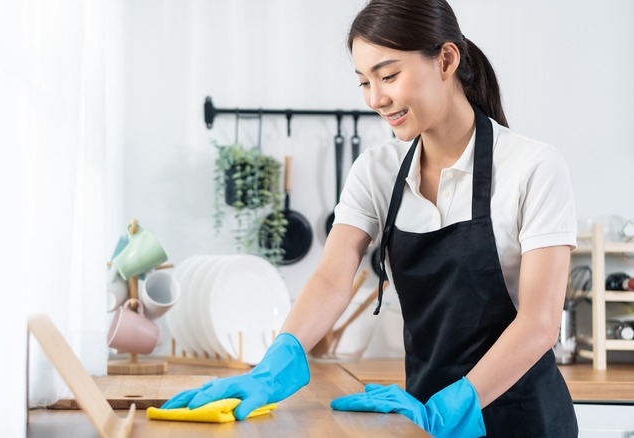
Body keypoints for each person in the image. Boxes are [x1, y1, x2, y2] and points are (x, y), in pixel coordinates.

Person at [163, 1, 578, 436]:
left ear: (447, 59)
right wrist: (276, 363)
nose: (376, 98)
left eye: (389, 75)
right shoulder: (376, 170)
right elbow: (331, 279)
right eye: (364, 82)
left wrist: (454, 405)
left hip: (523, 421)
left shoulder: (533, 167)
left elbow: (539, 323)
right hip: (420, 420)